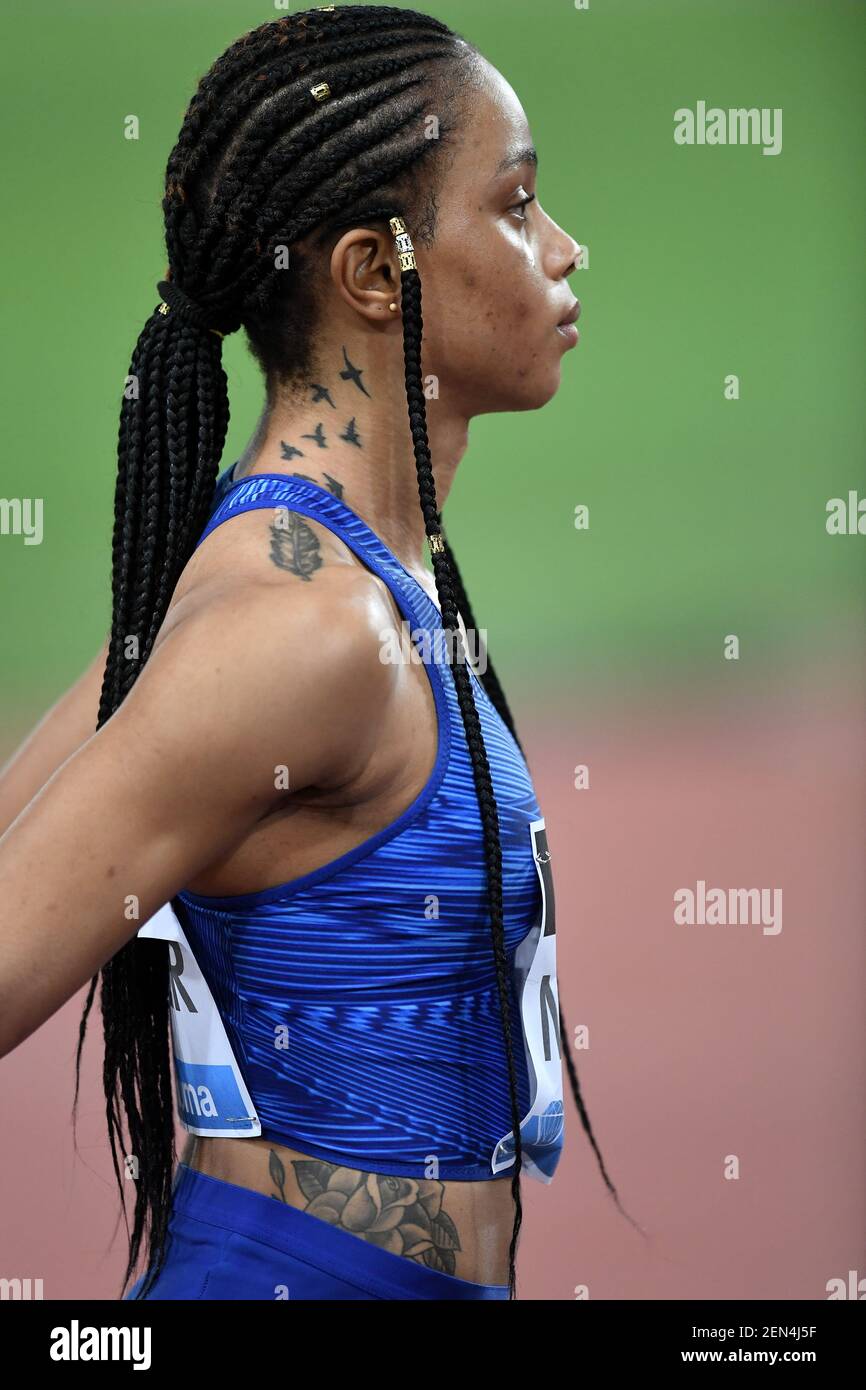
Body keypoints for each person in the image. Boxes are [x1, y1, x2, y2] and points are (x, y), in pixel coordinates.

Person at [0, 4, 620, 1301]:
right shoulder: (304, 630)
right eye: (514, 208)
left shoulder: (326, 584)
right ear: (372, 272)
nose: (564, 250)